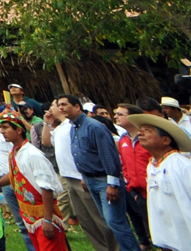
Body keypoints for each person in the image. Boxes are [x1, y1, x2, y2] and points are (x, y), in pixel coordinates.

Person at [54, 93, 136, 251]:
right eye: (59, 105)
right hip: (89, 180)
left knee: (115, 222)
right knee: (108, 220)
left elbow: (109, 156)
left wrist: (112, 183)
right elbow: (82, 154)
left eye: (64, 104)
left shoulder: (94, 127)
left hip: (104, 180)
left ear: (77, 107)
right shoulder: (74, 128)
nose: (61, 108)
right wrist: (84, 176)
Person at [0, 110, 67, 251]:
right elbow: (13, 174)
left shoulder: (33, 154)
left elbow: (46, 188)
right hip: (30, 217)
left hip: (43, 216)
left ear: (18, 130)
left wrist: (48, 220)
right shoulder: (14, 152)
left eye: (5, 128)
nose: (2, 132)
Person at [128, 111, 191, 251]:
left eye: (148, 131)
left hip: (187, 238)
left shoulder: (182, 166)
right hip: (168, 239)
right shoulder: (152, 166)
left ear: (166, 140)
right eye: (141, 130)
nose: (141, 134)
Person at [112, 105, 152, 251]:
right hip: (138, 193)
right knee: (151, 228)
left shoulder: (148, 138)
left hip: (155, 190)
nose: (115, 116)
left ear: (132, 117)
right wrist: (131, 189)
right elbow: (125, 166)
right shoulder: (123, 140)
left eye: (120, 114)